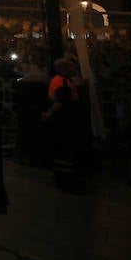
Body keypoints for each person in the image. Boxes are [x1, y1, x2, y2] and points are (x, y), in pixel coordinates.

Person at [42, 56, 94, 192]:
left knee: (62, 152)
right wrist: (50, 114)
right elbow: (61, 101)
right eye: (71, 67)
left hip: (62, 121)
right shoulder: (62, 82)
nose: (75, 69)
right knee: (65, 151)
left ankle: (62, 178)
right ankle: (66, 181)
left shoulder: (60, 80)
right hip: (64, 122)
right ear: (65, 69)